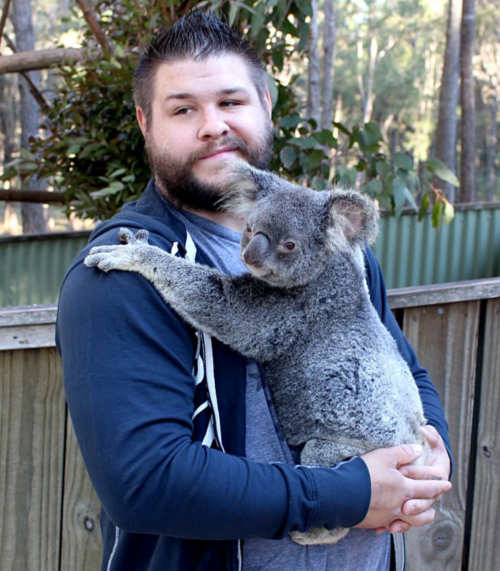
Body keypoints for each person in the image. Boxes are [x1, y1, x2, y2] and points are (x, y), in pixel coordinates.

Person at [56, 10, 452, 571]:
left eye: (231, 102)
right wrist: (346, 494)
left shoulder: (332, 243)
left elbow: (400, 363)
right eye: (183, 108)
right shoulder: (120, 276)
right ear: (145, 122)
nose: (213, 125)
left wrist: (432, 453)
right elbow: (145, 483)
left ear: (266, 105)